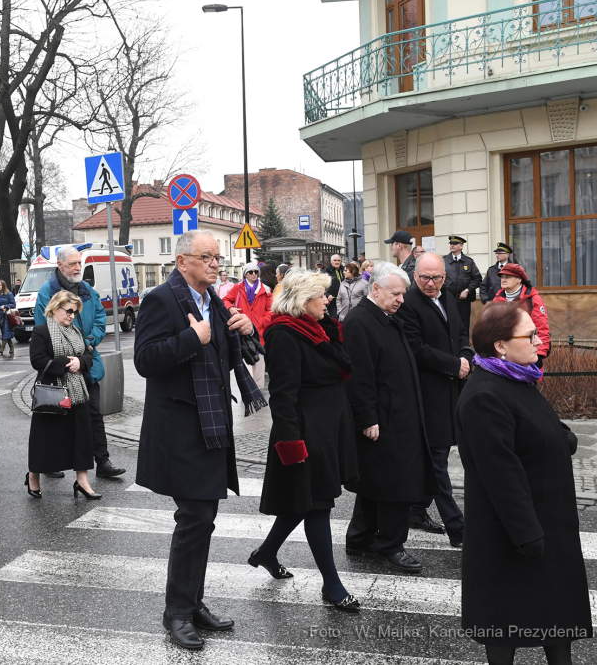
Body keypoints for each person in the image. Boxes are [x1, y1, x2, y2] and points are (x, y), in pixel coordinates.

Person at [134, 229, 264, 650]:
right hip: (180, 430)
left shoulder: (216, 302)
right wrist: (194, 338)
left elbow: (241, 355)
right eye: (206, 257)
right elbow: (145, 360)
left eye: (217, 257)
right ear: (182, 261)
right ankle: (176, 613)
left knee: (203, 519)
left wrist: (245, 329)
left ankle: (192, 603)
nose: (215, 263)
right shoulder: (161, 299)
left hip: (210, 426)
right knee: (194, 520)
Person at [457, 301, 592, 665]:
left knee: (557, 618)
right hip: (514, 532)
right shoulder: (484, 394)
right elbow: (501, 474)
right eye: (530, 335)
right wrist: (528, 534)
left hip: (547, 520)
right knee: (505, 623)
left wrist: (560, 438)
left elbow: (531, 426)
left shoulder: (518, 376)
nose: (539, 341)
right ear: (500, 345)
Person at [252, 268, 359, 611]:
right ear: (302, 300)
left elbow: (342, 366)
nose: (328, 300)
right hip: (306, 430)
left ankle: (266, 552)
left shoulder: (315, 327)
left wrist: (328, 330)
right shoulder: (284, 334)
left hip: (328, 427)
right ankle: (332, 584)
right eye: (321, 295)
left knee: (306, 501)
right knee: (317, 505)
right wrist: (291, 443)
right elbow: (283, 395)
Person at [343, 263, 436, 573]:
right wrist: (367, 418)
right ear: (376, 289)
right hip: (383, 418)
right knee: (398, 483)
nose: (401, 299)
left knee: (376, 481)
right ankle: (390, 545)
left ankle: (359, 538)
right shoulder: (360, 321)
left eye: (403, 294)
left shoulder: (384, 316)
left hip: (397, 414)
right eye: (396, 293)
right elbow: (360, 375)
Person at [33, 246, 125, 479]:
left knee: (93, 414)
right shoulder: (47, 293)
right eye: (73, 263)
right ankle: (49, 462)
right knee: (54, 415)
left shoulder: (88, 291)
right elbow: (43, 328)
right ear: (60, 265)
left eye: (79, 263)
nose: (78, 267)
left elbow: (100, 319)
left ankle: (102, 461)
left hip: (86, 363)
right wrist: (69, 351)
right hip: (59, 367)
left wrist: (89, 342)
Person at [401, 252, 470, 547]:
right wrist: (454, 365)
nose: (430, 283)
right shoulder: (408, 304)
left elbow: (462, 334)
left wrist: (466, 357)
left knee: (437, 457)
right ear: (415, 276)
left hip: (453, 392)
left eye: (436, 277)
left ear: (445, 277)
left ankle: (416, 511)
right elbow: (415, 348)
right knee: (437, 461)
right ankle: (458, 528)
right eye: (424, 277)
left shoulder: (449, 298)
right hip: (427, 395)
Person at [26, 291, 99, 499]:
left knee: (81, 437)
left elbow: (87, 354)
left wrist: (81, 362)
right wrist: (68, 363)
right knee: (45, 439)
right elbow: (37, 360)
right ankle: (33, 476)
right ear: (55, 308)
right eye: (68, 311)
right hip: (51, 393)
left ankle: (82, 481)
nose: (71, 316)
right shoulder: (41, 331)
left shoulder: (76, 331)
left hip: (77, 392)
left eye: (74, 312)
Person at [223, 262, 273, 387]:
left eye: (256, 272)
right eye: (250, 272)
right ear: (245, 274)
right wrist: (230, 308)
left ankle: (259, 391)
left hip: (259, 332)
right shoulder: (238, 287)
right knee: (244, 360)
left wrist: (262, 322)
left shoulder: (265, 289)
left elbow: (271, 310)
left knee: (259, 363)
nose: (254, 274)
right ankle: (247, 390)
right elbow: (225, 300)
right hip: (242, 331)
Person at [491, 263, 551, 363]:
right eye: (502, 277)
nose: (503, 280)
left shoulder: (533, 299)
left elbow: (542, 329)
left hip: (526, 354)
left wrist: (539, 355)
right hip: (503, 355)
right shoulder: (497, 300)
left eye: (508, 277)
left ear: (519, 279)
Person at [444, 236, 482, 336]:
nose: (452, 245)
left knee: (464, 326)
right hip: (448, 299)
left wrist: (467, 290)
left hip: (463, 301)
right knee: (448, 324)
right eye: (451, 243)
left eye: (455, 244)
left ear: (461, 246)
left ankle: (465, 348)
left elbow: (477, 279)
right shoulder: (444, 261)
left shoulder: (468, 262)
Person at [0, 281, 16, 356]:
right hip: (1, 315)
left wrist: (5, 306)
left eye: (0, 285)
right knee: (4, 331)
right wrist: (0, 307)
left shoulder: (9, 294)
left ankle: (2, 348)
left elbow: (13, 304)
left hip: (8, 315)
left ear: (3, 286)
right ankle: (11, 347)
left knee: (6, 330)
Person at [322, 255, 344, 319]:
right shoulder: (325, 272)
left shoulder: (344, 270)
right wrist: (327, 295)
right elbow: (322, 286)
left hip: (344, 300)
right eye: (335, 260)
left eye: (338, 260)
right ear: (331, 261)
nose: (337, 262)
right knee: (335, 319)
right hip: (332, 301)